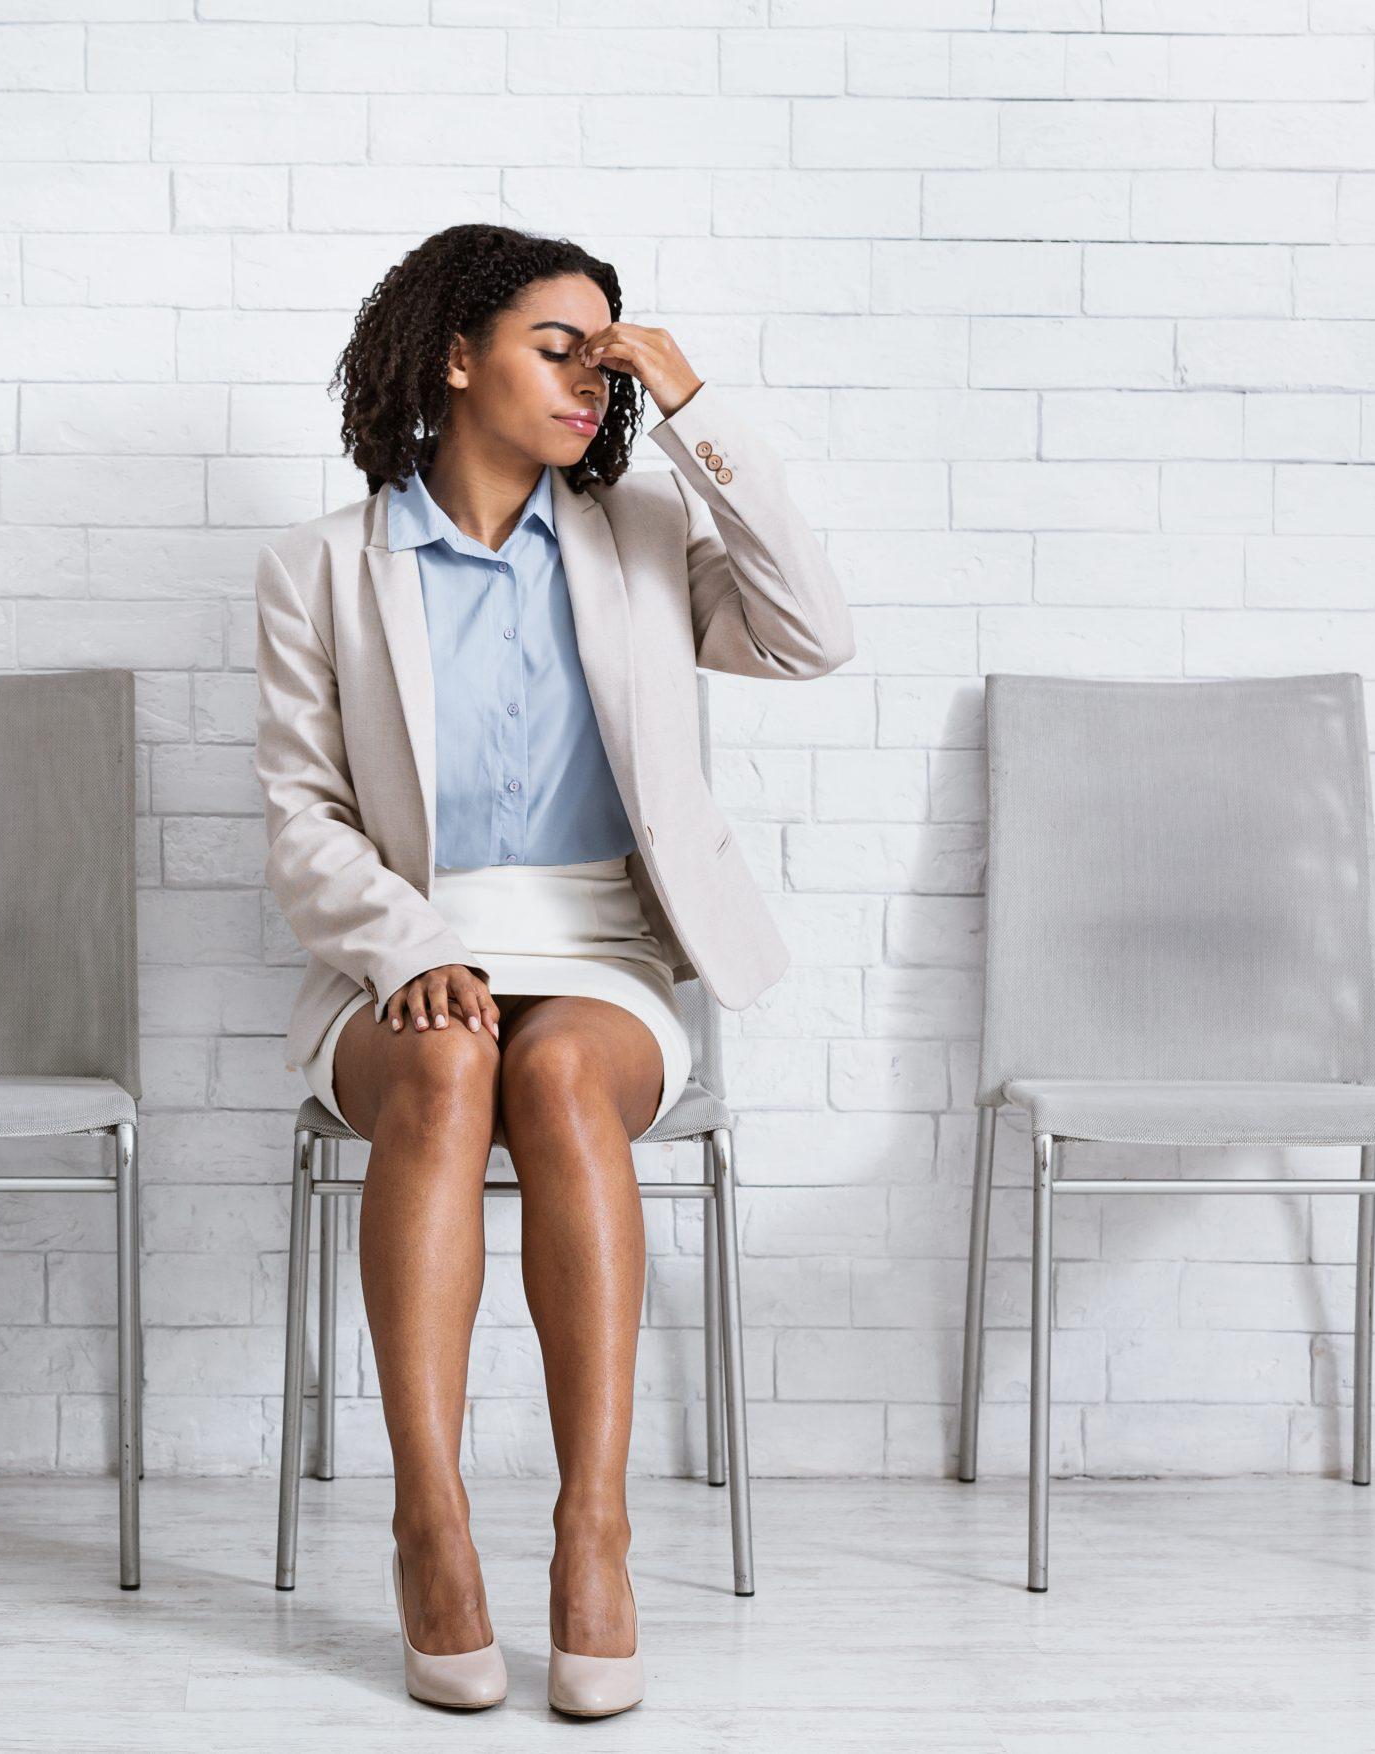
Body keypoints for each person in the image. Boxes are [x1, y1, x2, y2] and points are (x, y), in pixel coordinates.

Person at [250, 222, 855, 1717]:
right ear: (457, 357)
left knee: (560, 1065)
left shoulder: (644, 533)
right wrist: (414, 944)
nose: (594, 377)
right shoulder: (321, 566)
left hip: (603, 947)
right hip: (404, 945)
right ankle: (431, 1521)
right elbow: (303, 819)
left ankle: (597, 1528)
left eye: (610, 350)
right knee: (455, 1060)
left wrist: (697, 410)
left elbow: (813, 634)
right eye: (555, 345)